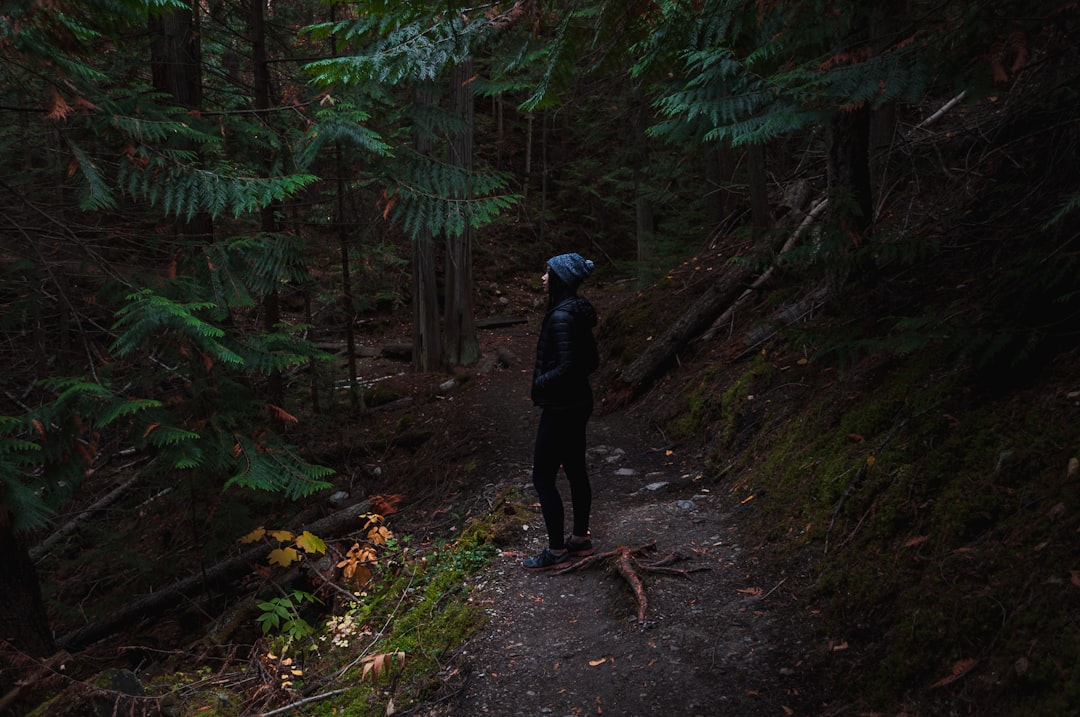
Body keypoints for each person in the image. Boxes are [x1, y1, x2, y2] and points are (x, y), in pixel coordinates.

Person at [522, 252, 600, 571]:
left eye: (547, 272)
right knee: (576, 469)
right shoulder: (574, 312)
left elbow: (569, 366)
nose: (543, 278)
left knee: (543, 476)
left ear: (560, 279)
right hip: (577, 403)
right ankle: (579, 539)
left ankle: (555, 552)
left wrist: (541, 382)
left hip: (562, 407)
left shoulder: (561, 317)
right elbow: (590, 362)